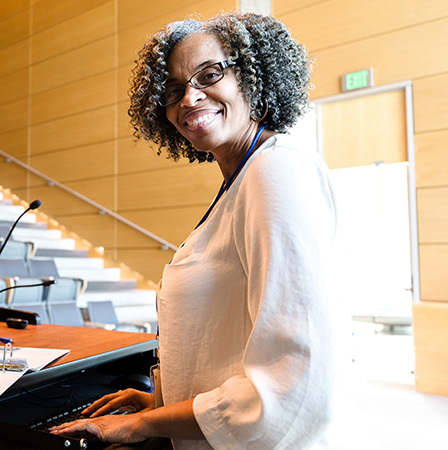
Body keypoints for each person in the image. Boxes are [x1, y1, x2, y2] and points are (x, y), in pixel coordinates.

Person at [51, 13, 346, 449]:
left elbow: (293, 385)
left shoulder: (276, 170)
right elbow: (227, 339)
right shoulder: (243, 179)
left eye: (209, 74)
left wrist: (145, 425)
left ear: (253, 77)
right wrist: (162, 401)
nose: (189, 98)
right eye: (172, 90)